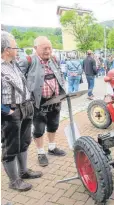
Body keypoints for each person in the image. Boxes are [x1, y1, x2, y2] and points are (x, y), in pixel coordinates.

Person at [1, 31, 42, 191]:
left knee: (24, 142)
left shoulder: (14, 63)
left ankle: (23, 172)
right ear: (6, 49)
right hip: (11, 112)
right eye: (15, 46)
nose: (17, 49)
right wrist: (7, 111)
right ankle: (14, 181)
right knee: (10, 147)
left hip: (25, 108)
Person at [19, 36, 66, 167]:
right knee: (39, 129)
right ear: (35, 48)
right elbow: (19, 82)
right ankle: (40, 153)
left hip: (55, 101)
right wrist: (27, 99)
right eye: (44, 48)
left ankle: (51, 148)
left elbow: (60, 75)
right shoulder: (28, 61)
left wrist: (62, 91)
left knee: (53, 125)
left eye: (50, 48)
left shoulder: (54, 59)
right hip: (38, 103)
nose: (48, 51)